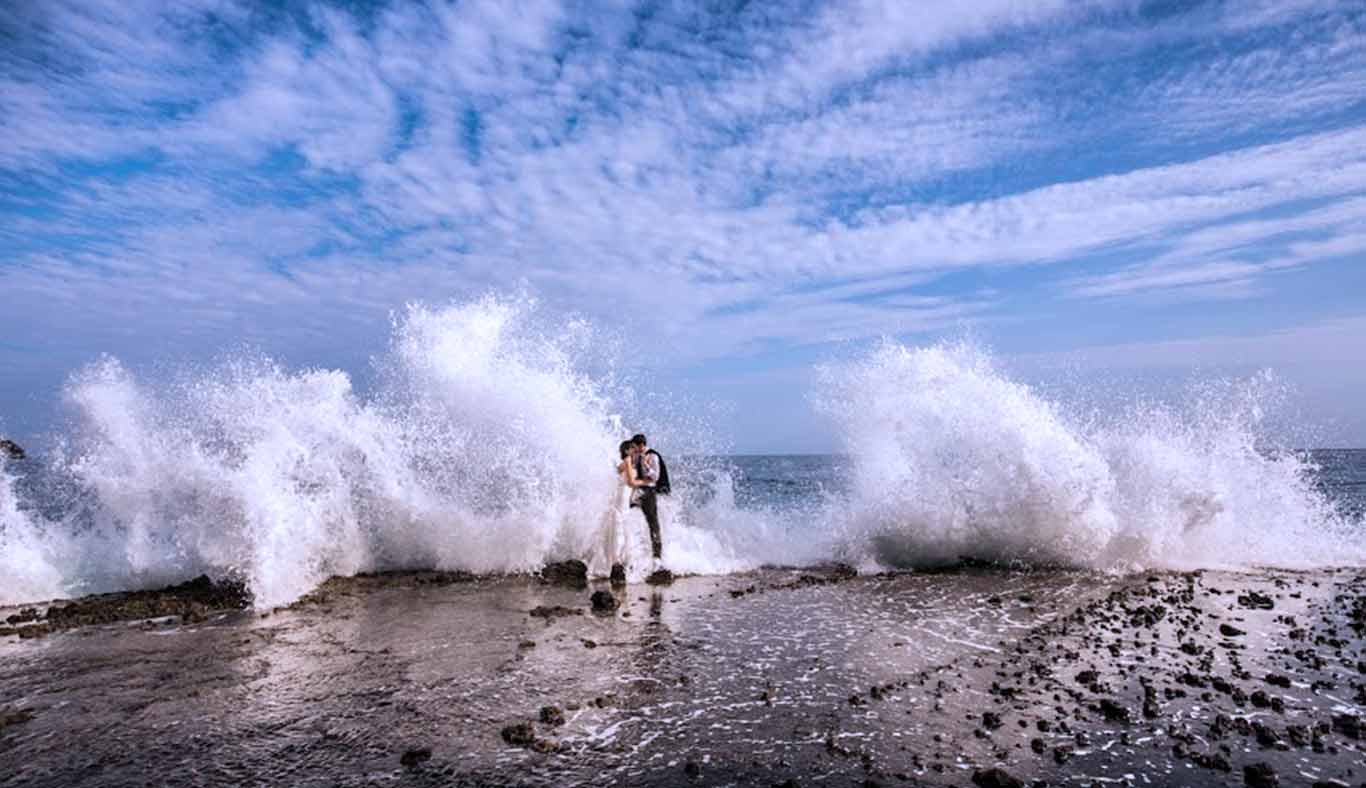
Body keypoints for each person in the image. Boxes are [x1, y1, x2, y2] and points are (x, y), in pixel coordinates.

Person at [629, 433, 670, 570]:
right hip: (639, 491)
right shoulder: (637, 456)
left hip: (649, 492)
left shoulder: (652, 456)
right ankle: (635, 555)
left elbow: (655, 477)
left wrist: (646, 465)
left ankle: (657, 558)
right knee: (629, 518)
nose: (634, 450)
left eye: (635, 447)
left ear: (641, 445)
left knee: (653, 524)